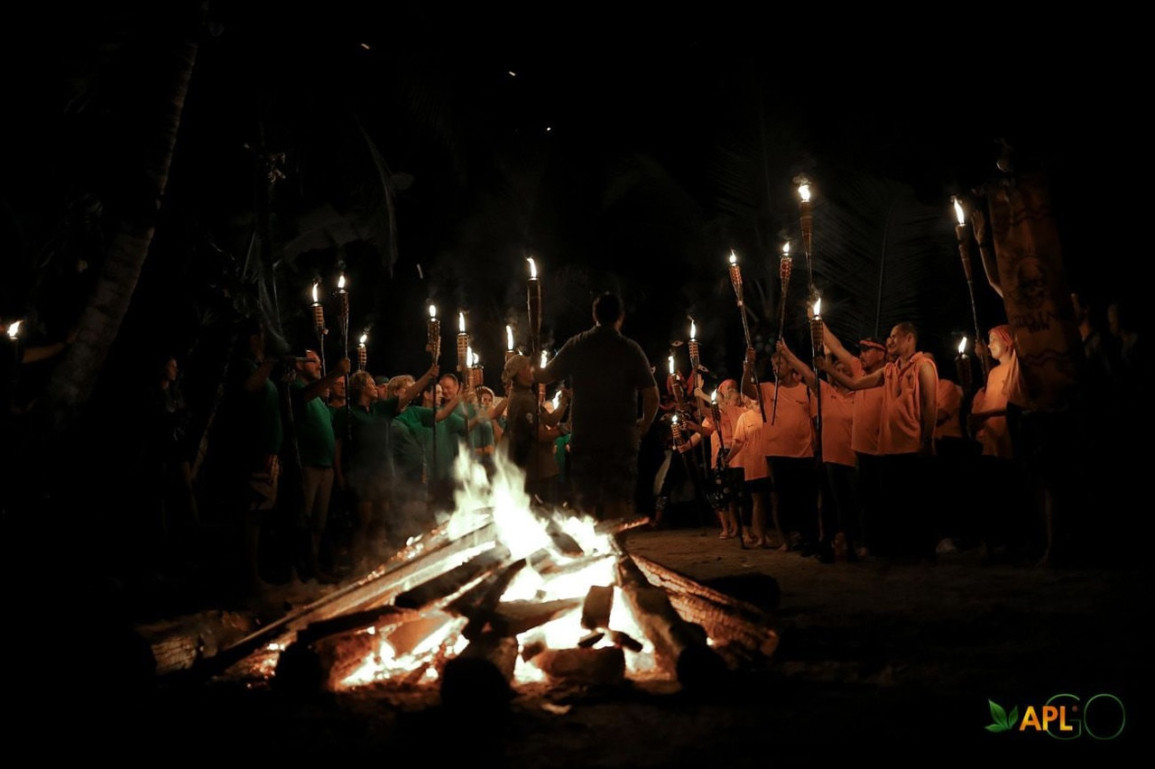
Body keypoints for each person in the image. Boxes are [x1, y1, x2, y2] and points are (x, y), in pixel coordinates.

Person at [535, 292, 659, 520]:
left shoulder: (577, 345)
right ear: (620, 317)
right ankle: (617, 543)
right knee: (618, 502)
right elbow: (652, 396)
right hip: (620, 439)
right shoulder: (630, 349)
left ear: (595, 316)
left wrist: (533, 359)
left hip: (586, 438)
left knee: (586, 504)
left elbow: (544, 375)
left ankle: (591, 542)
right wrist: (644, 425)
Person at [824, 322, 938, 559]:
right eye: (889, 337)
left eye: (895, 336)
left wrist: (927, 440)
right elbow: (855, 384)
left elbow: (930, 404)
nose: (890, 341)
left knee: (914, 501)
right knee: (892, 502)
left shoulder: (923, 366)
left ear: (909, 338)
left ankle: (921, 550)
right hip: (889, 448)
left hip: (911, 445)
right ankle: (896, 548)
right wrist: (827, 368)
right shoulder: (890, 371)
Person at [289, 350, 350, 582]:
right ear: (298, 365)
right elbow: (304, 395)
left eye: (320, 362)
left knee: (318, 523)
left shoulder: (320, 401)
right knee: (301, 521)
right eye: (314, 361)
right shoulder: (296, 388)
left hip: (325, 467)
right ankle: (294, 571)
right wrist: (336, 373)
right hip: (308, 465)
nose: (319, 365)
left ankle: (313, 566)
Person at [502, 354, 569, 504]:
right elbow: (541, 435)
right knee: (546, 511)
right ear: (520, 372)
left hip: (540, 468)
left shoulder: (527, 394)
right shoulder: (522, 400)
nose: (532, 370)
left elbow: (549, 419)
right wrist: (563, 429)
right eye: (528, 367)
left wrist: (564, 402)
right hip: (537, 468)